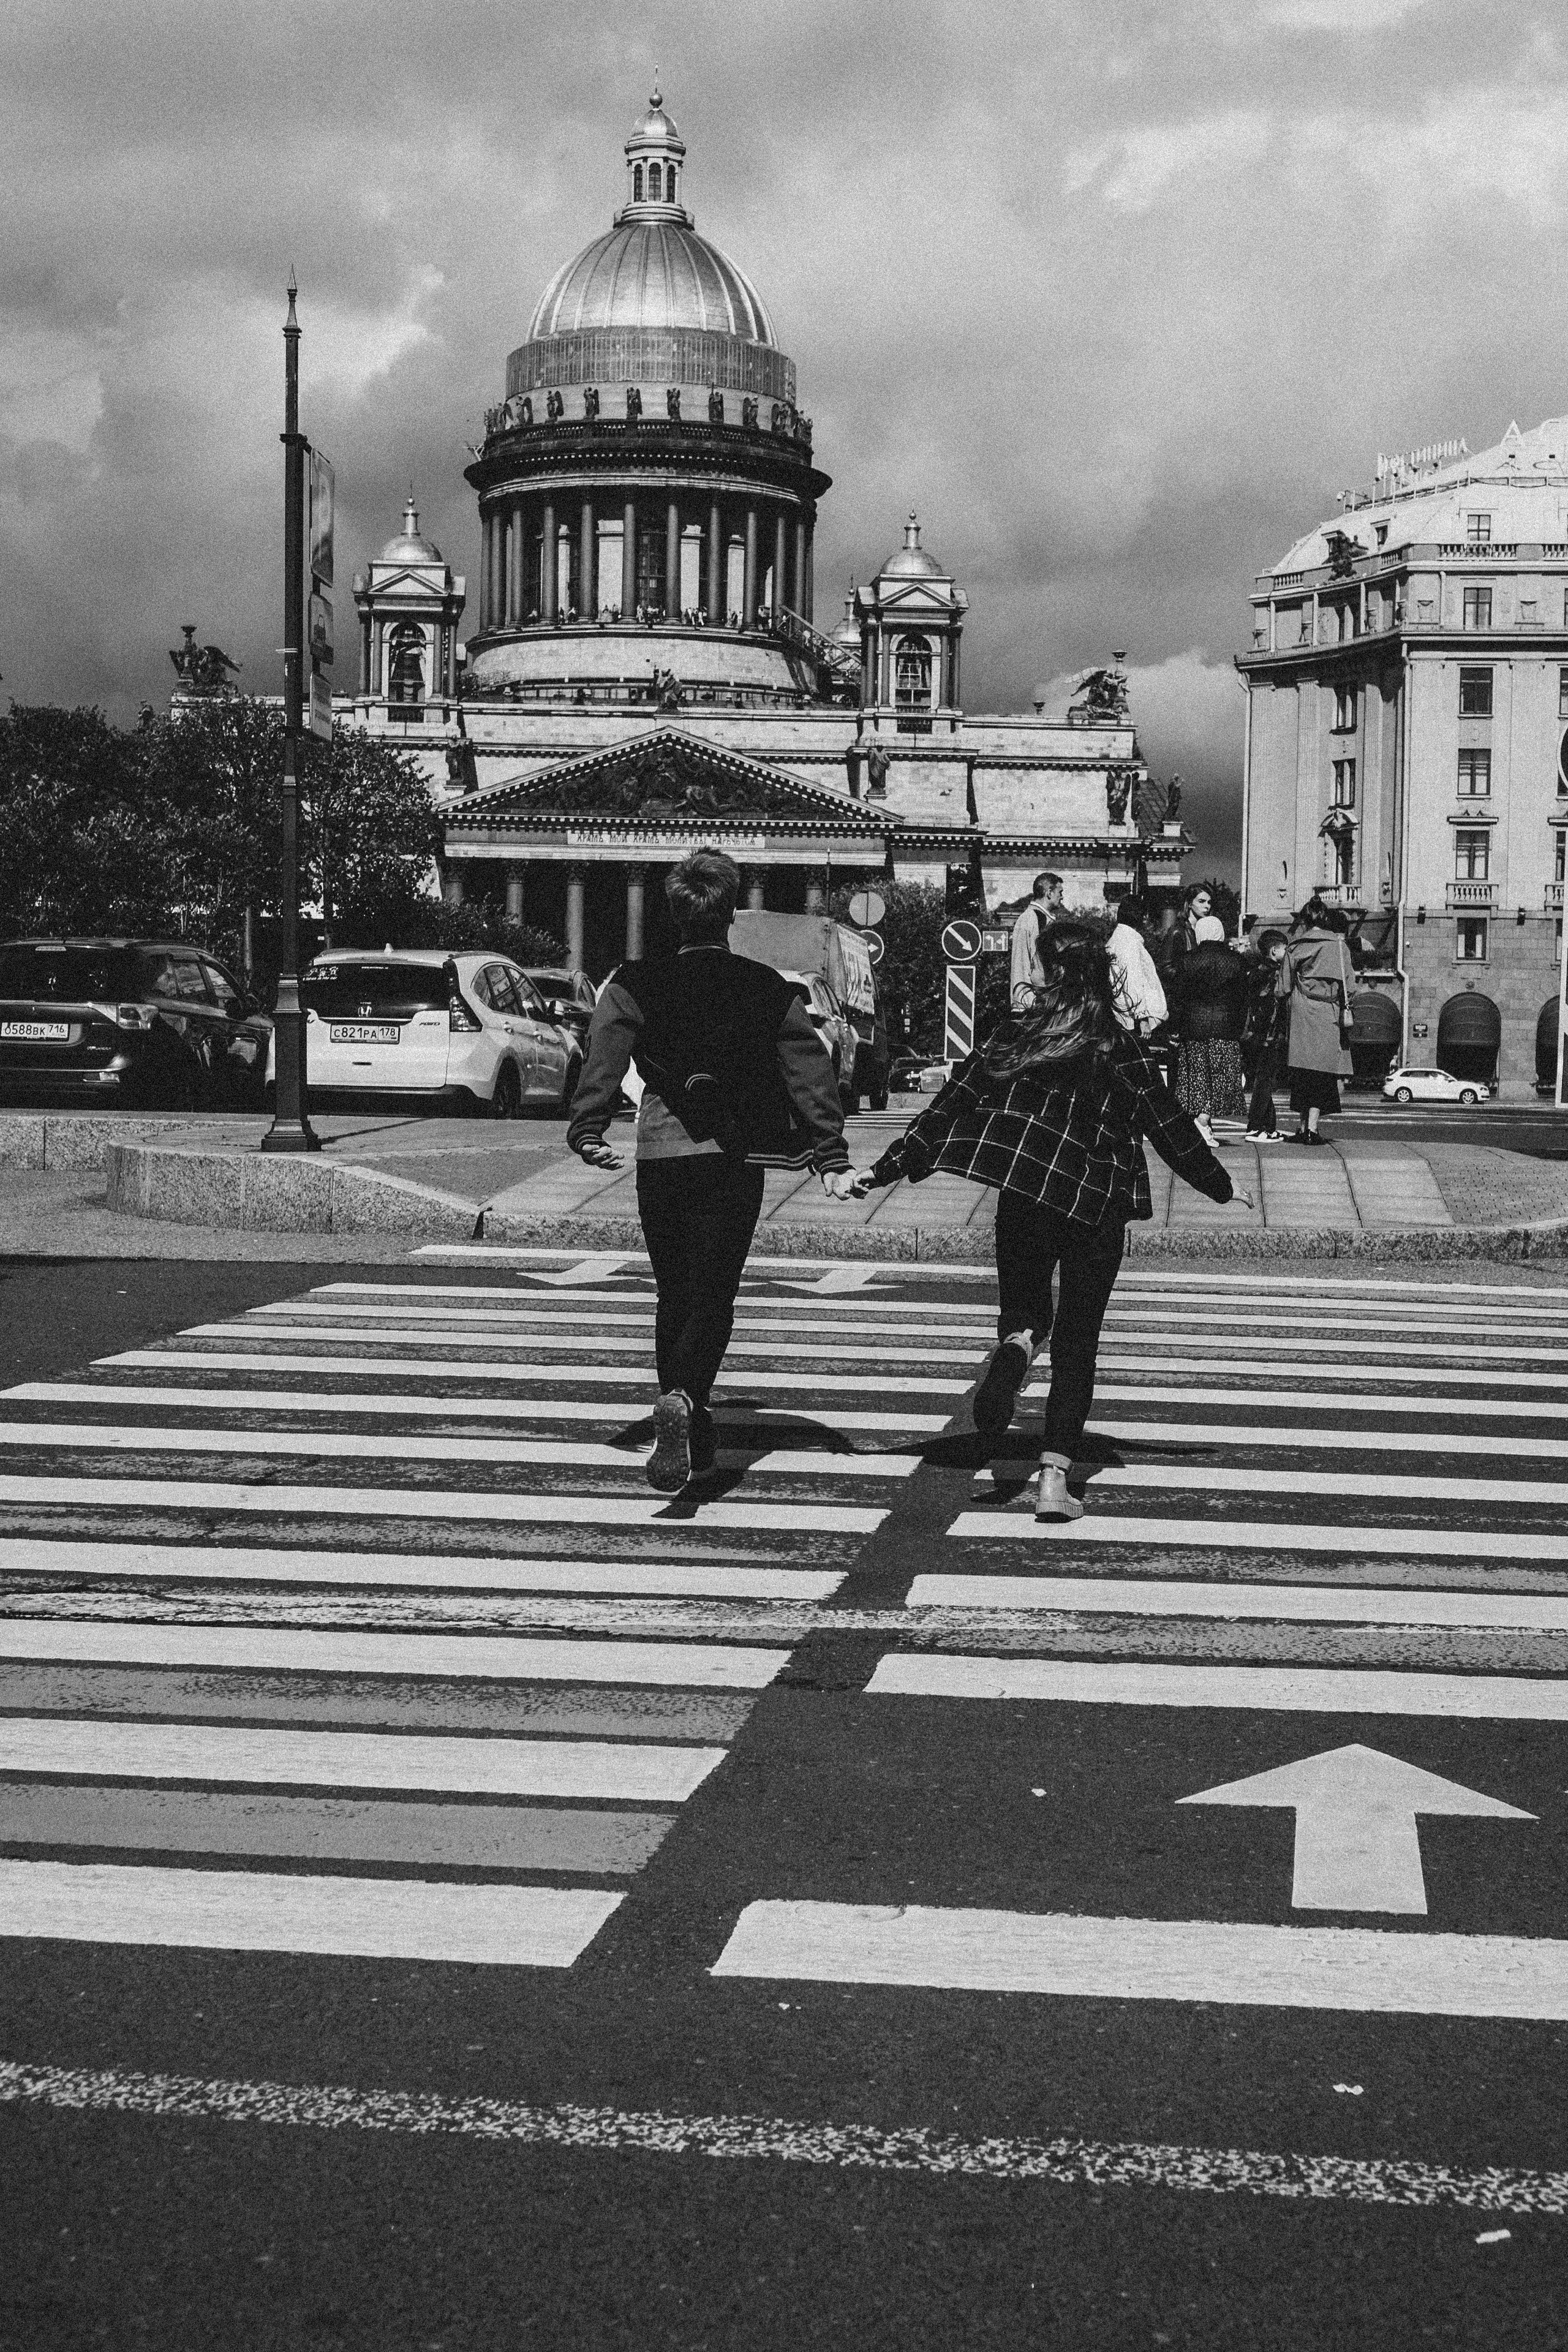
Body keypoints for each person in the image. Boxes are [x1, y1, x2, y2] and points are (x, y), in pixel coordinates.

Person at [843, 923, 1242, 1521]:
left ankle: (1017, 1346)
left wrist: (886, 1167)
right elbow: (1168, 1127)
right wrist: (1220, 1186)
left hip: (1025, 1194)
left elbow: (949, 1103)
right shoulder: (1120, 1045)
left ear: (1050, 970)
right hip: (1096, 1204)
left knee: (1026, 1313)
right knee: (1078, 1344)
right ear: (1104, 974)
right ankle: (1054, 1483)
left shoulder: (1015, 1033)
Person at [566, 849, 851, 1491]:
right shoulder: (765, 987)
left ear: (674, 914)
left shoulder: (633, 984)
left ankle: (683, 1411)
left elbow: (602, 1061)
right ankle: (689, 1401)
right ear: (728, 917)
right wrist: (829, 1155)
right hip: (733, 1158)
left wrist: (587, 1128)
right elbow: (811, 1077)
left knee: (675, 1292)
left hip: (661, 1156)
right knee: (715, 1294)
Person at [1169, 913, 1249, 1148]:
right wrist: (1240, 1027)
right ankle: (1203, 1122)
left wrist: (1176, 1026)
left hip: (1194, 1026)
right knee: (1221, 1078)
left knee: (1197, 1078)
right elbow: (1242, 999)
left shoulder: (1187, 961)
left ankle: (1199, 1123)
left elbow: (1180, 997)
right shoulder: (1236, 961)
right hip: (1225, 1026)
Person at [1278, 896, 1354, 1144]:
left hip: (1301, 1011)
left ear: (1305, 919)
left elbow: (1283, 987)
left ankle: (1301, 1128)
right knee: (1322, 1073)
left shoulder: (1295, 946)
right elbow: (1350, 987)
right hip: (1328, 1012)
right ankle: (1312, 1128)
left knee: (1302, 1070)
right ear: (1325, 918)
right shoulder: (1339, 946)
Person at [1242, 927, 1289, 1140]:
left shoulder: (1255, 972)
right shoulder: (1274, 974)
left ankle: (1268, 1127)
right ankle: (1255, 1127)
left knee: (1264, 1080)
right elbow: (1273, 1007)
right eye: (1285, 949)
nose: (1287, 954)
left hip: (1253, 1036)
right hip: (1268, 1036)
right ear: (1273, 951)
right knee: (1264, 1081)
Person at [1106, 895, 1167, 1038]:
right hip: (1134, 1022)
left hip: (1126, 1016)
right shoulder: (1128, 943)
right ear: (1141, 915)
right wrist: (1143, 1018)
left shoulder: (1119, 939)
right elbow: (1133, 981)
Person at [1009, 871, 1065, 1009]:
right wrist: (1026, 1005)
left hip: (1041, 1001)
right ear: (1049, 893)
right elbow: (1028, 965)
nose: (1062, 897)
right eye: (1060, 892)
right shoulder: (1032, 919)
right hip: (1034, 1004)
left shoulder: (1041, 919)